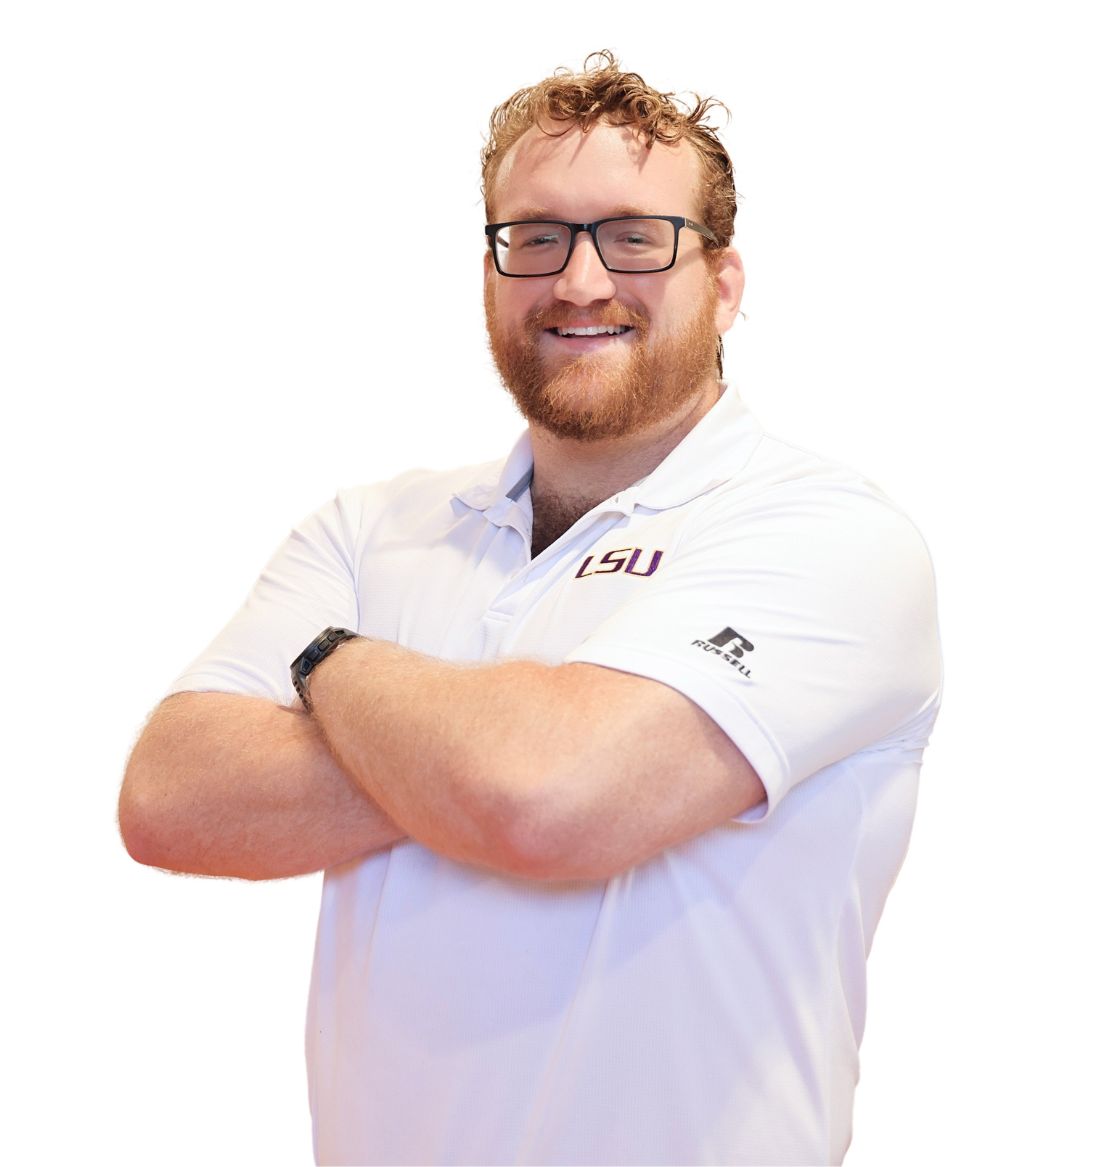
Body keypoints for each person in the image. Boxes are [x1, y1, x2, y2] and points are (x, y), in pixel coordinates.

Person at [119, 51, 941, 1167]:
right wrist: (498, 754)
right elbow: (168, 798)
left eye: (636, 237)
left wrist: (332, 662)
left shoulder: (829, 535)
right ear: (491, 270)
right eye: (537, 237)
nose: (580, 281)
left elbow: (549, 801)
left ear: (723, 283)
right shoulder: (371, 528)